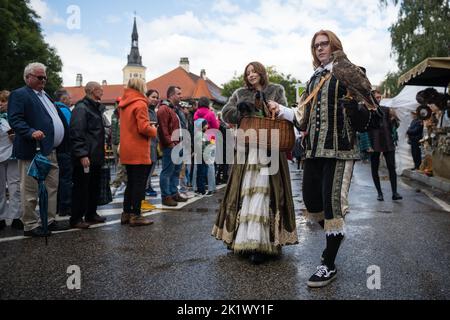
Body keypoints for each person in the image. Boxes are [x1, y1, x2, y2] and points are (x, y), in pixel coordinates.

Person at [295, 30, 378, 288]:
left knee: (332, 206)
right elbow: (302, 117)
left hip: (341, 150)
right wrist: (282, 112)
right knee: (311, 202)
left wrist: (356, 112)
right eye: (316, 45)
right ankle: (336, 233)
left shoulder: (348, 71)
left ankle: (327, 263)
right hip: (314, 152)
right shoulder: (313, 78)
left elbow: (371, 119)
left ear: (334, 46)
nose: (320, 49)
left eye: (324, 44)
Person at [212, 62, 298, 265]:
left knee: (266, 193)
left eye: (254, 71)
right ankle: (243, 240)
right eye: (248, 73)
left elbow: (284, 117)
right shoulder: (240, 92)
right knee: (245, 192)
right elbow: (226, 113)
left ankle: (263, 243)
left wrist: (270, 108)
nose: (251, 75)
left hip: (270, 147)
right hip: (247, 149)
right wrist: (240, 111)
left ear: (261, 73)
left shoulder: (276, 90)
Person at [8, 62, 70, 237]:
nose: (44, 80)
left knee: (52, 186)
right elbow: (15, 119)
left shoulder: (45, 95)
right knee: (30, 188)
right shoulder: (19, 94)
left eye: (45, 77)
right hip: (32, 149)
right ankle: (30, 224)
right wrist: (30, 132)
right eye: (40, 77)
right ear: (28, 77)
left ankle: (49, 221)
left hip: (50, 149)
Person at [118, 78, 157, 227]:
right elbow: (143, 128)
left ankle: (126, 213)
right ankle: (136, 215)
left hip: (127, 148)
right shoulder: (140, 103)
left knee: (131, 183)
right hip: (139, 148)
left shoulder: (124, 103)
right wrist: (154, 130)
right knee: (139, 184)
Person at [70, 82, 107, 229]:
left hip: (95, 156)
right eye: (100, 89)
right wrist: (82, 154)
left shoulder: (94, 107)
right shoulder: (81, 108)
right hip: (86, 156)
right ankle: (76, 218)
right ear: (92, 91)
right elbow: (76, 132)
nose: (102, 92)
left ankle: (91, 213)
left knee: (94, 186)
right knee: (81, 188)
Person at [363, 90, 402, 201]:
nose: (378, 99)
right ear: (371, 98)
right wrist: (367, 145)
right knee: (374, 168)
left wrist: (394, 119)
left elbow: (394, 125)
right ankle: (379, 193)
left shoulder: (386, 109)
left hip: (387, 141)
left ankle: (395, 193)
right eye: (376, 97)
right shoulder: (367, 111)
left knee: (391, 167)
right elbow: (363, 129)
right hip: (373, 142)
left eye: (380, 97)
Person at [157, 86, 187, 207]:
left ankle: (174, 193)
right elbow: (163, 129)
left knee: (176, 171)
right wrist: (170, 143)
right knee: (167, 171)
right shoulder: (164, 109)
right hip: (171, 145)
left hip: (177, 144)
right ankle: (166, 196)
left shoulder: (173, 109)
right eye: (178, 94)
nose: (181, 96)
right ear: (171, 95)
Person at [0, 90, 22, 230]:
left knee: (15, 187)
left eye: (4, 101)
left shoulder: (16, 117)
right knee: (0, 188)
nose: (1, 104)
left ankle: (15, 217)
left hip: (13, 154)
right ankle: (1, 217)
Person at [194, 96, 219, 195]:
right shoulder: (211, 113)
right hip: (211, 138)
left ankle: (197, 186)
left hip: (199, 139)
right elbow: (216, 126)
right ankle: (211, 187)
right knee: (210, 163)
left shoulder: (196, 114)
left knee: (198, 163)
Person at [54, 89, 73, 216]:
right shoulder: (65, 111)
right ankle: (65, 206)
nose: (71, 100)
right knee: (66, 178)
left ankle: (55, 206)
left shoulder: (53, 109)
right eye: (69, 98)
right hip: (66, 149)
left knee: (56, 179)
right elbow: (71, 130)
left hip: (55, 148)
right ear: (63, 99)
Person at [110, 97, 127, 195]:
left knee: (121, 166)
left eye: (120, 103)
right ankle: (127, 184)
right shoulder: (114, 115)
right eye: (117, 103)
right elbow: (112, 128)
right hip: (114, 143)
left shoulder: (125, 115)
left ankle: (114, 185)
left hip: (123, 143)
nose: (118, 105)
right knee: (119, 166)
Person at [145, 89, 160, 198]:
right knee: (147, 169)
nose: (155, 99)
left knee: (151, 167)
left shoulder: (153, 111)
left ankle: (148, 186)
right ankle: (145, 188)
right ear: (147, 97)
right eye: (153, 97)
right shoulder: (144, 110)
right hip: (147, 144)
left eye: (156, 97)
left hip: (154, 143)